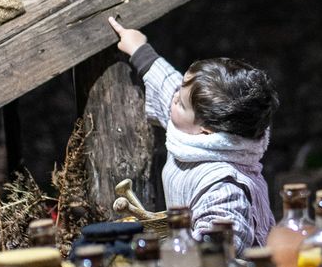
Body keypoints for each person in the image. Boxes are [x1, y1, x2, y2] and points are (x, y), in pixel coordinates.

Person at [109, 17, 276, 253]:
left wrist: (168, 254)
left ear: (206, 131)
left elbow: (221, 247)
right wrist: (139, 48)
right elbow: (168, 85)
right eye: (181, 90)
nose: (174, 97)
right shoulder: (197, 128)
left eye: (181, 103)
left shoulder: (224, 186)